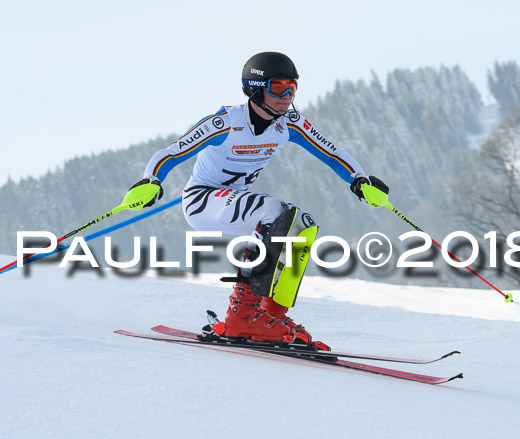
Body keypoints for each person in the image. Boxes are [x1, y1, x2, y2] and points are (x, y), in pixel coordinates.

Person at [125, 51, 389, 351]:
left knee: (303, 227)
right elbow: (171, 153)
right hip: (202, 201)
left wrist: (359, 179)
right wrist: (152, 181)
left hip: (237, 201)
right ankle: (243, 315)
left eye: (293, 87)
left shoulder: (290, 123)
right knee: (277, 211)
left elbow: (331, 152)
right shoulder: (224, 122)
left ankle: (270, 315)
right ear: (254, 88)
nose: (287, 96)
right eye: (278, 87)